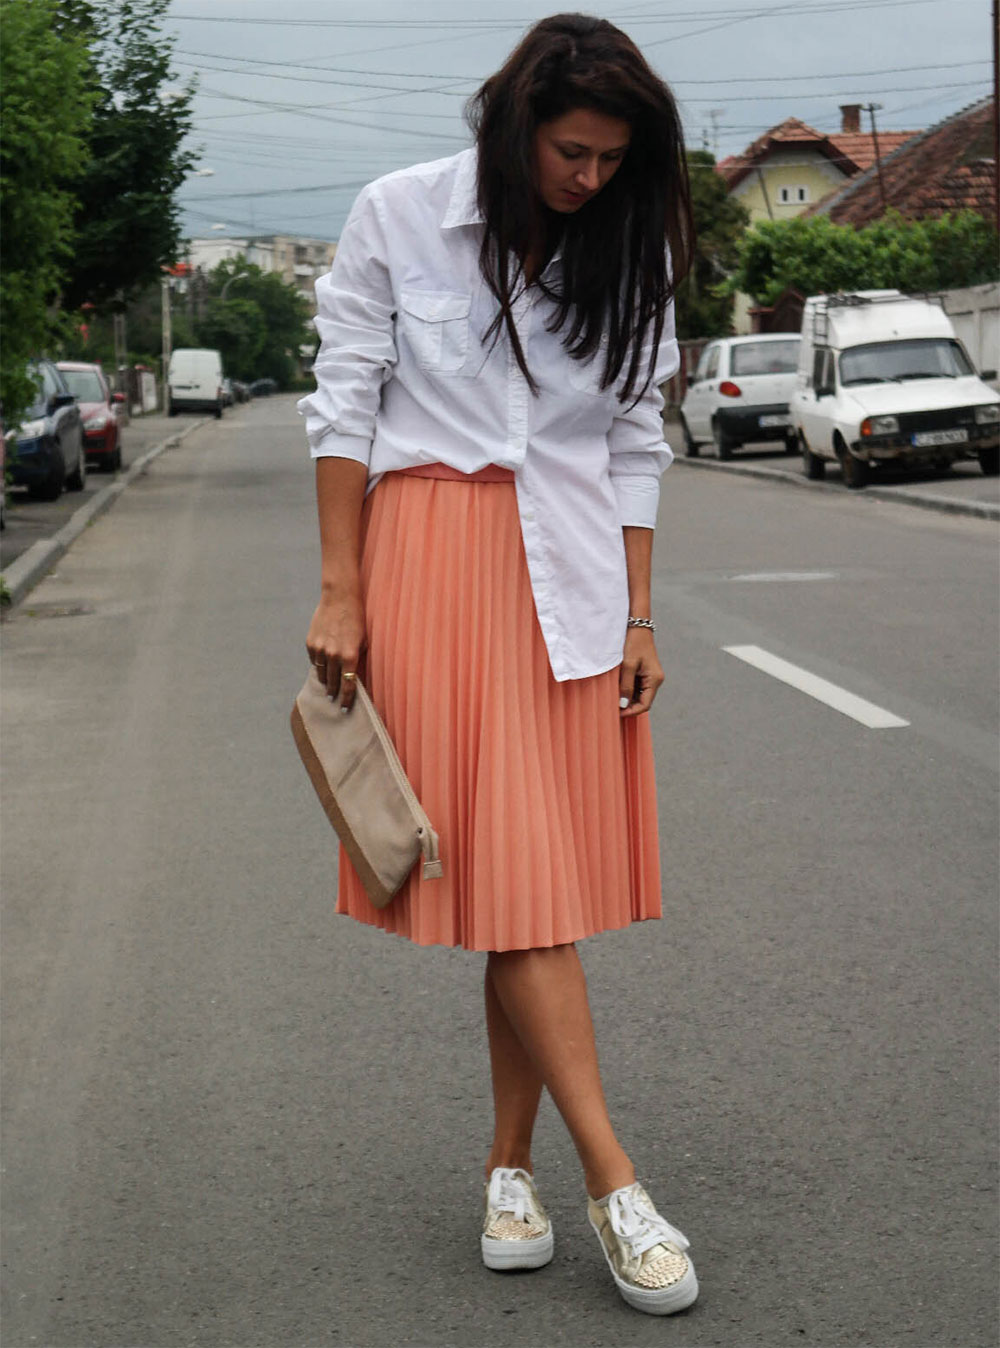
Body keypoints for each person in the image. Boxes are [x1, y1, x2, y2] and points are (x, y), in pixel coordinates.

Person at [297, 11, 697, 1318]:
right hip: (431, 563)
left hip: (570, 579)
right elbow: (344, 397)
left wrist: (640, 614)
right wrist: (342, 591)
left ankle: (507, 1169)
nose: (590, 178)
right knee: (520, 896)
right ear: (516, 122)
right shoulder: (401, 214)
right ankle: (615, 1182)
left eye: (611, 159)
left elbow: (635, 433)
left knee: (527, 899)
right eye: (573, 152)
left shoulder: (629, 241)